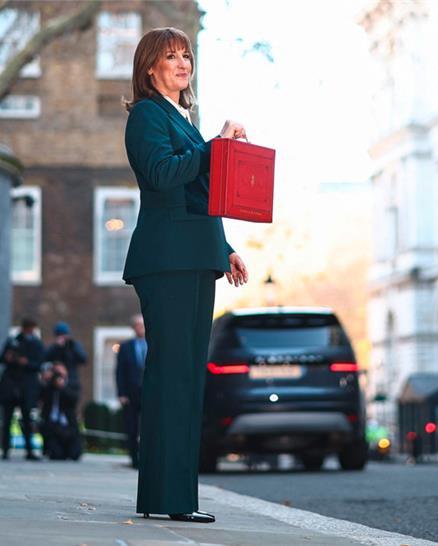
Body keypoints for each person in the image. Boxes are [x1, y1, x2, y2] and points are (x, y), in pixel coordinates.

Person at [122, 27, 249, 523]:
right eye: (170, 56)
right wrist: (214, 147)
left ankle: (173, 500)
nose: (181, 63)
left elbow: (199, 193)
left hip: (196, 255)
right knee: (171, 380)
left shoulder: (182, 118)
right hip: (168, 259)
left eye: (186, 55)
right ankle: (167, 500)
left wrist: (227, 246)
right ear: (150, 68)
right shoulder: (147, 117)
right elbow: (163, 174)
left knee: (186, 381)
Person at [0, 318, 44, 461]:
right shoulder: (12, 341)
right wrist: (9, 358)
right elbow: (1, 359)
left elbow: (39, 364)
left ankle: (29, 450)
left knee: (27, 419)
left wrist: (27, 363)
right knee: (7, 419)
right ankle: (5, 449)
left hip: (26, 386)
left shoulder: (36, 344)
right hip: (11, 385)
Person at [116, 314, 147, 469]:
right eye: (137, 325)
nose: (140, 328)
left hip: (149, 394)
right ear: (133, 328)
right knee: (132, 427)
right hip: (131, 393)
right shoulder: (126, 347)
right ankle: (134, 459)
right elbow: (120, 371)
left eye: (142, 324)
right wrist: (121, 393)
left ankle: (148, 457)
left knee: (148, 427)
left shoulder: (153, 344)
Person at [38, 363, 82, 461]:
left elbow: (74, 399)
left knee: (74, 455)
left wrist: (62, 387)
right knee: (57, 456)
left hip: (68, 424)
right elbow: (40, 396)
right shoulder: (49, 387)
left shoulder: (72, 384)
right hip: (53, 425)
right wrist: (46, 380)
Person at [44, 322, 87, 395]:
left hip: (71, 382)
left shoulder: (74, 346)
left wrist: (71, 346)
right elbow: (45, 359)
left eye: (63, 335)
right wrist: (57, 347)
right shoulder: (54, 348)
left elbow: (83, 359)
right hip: (56, 382)